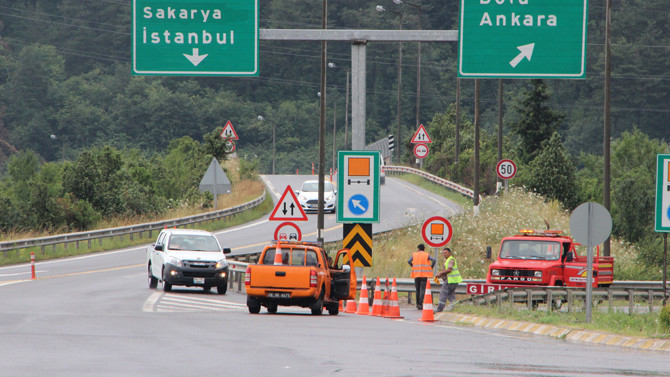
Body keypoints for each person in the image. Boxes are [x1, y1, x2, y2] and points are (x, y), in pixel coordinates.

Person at [407, 244, 436, 310]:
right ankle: (420, 303)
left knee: (417, 289)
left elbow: (409, 261)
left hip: (416, 274)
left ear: (418, 249)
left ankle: (417, 304)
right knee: (422, 289)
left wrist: (413, 266)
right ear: (424, 249)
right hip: (424, 274)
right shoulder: (427, 255)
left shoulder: (414, 254)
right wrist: (430, 267)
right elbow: (434, 260)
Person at [435, 247, 463, 312]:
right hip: (453, 280)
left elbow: (449, 270)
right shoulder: (448, 260)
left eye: (445, 252)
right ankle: (454, 308)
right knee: (451, 294)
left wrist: (440, 273)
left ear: (450, 253)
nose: (444, 254)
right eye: (443, 253)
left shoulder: (450, 260)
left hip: (450, 280)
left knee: (443, 293)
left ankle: (440, 309)